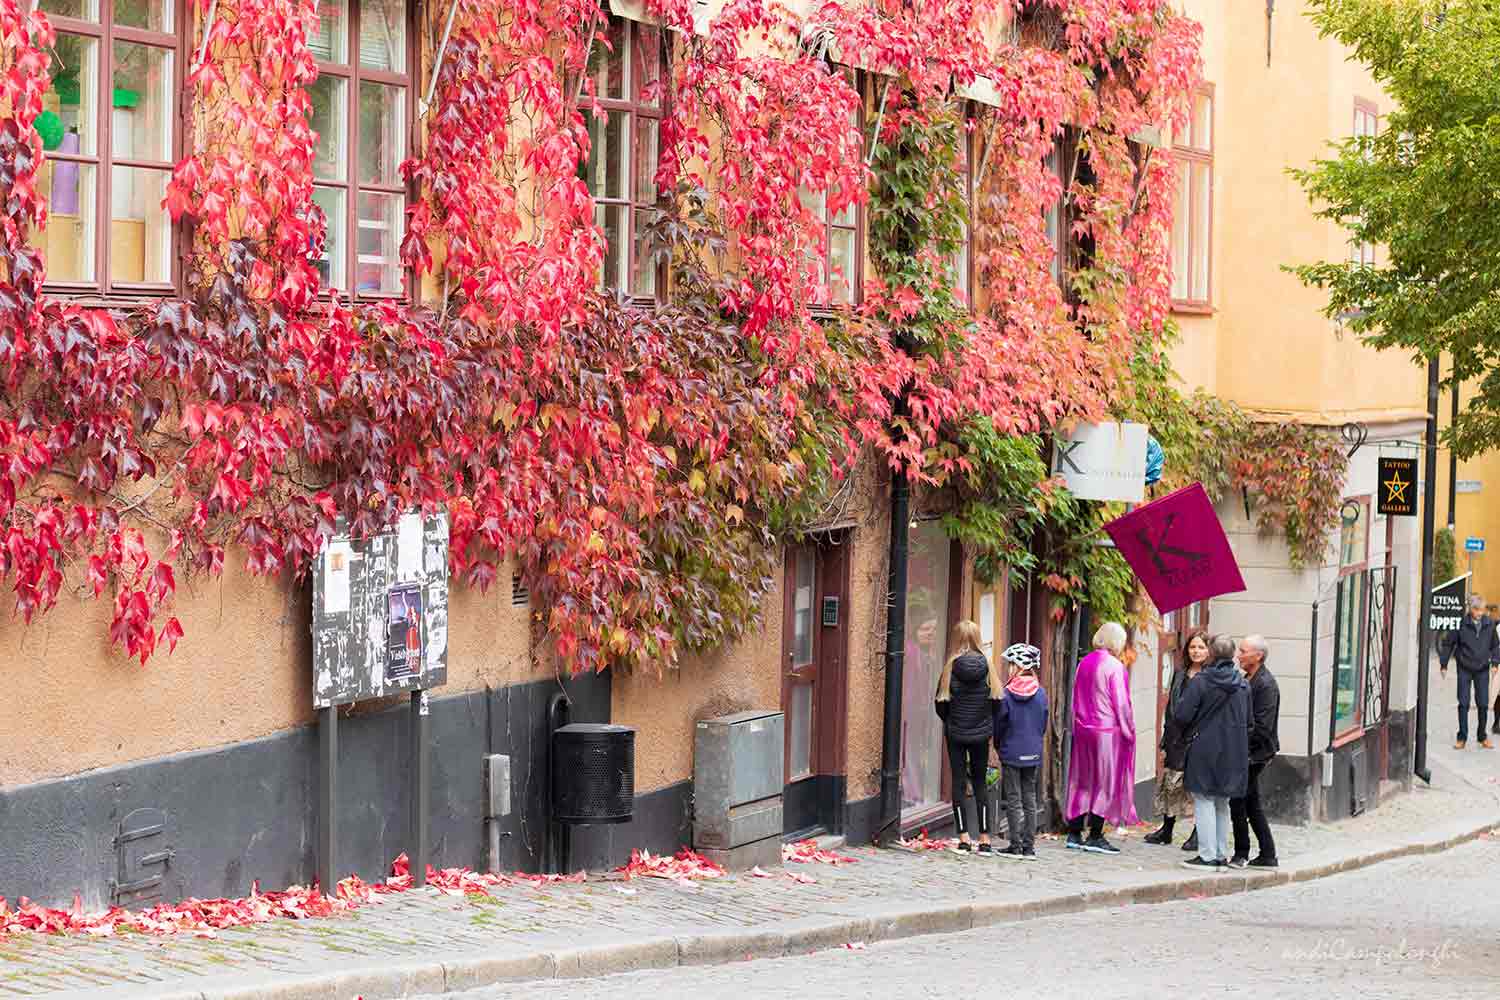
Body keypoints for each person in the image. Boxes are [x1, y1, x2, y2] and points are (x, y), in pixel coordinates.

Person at [1176, 635, 1250, 871]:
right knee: (1222, 801)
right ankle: (1220, 853)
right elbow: (1250, 721)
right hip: (1234, 749)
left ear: (1212, 653)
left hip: (1205, 747)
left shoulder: (1201, 681)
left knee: (1203, 798)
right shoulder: (1243, 684)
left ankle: (1207, 855)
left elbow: (1182, 715)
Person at [1064, 622, 1138, 854]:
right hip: (1106, 732)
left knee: (1082, 779)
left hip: (1083, 728)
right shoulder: (1115, 667)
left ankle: (1074, 832)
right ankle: (1096, 834)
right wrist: (1129, 731)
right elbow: (1122, 704)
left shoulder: (1083, 663)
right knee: (1104, 781)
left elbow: (1075, 697)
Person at [934, 620, 1004, 856]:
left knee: (958, 782)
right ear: (977, 638)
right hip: (981, 734)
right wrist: (985, 723)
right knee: (980, 782)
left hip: (955, 734)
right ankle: (984, 838)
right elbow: (997, 702)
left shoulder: (949, 668)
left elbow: (940, 703)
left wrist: (951, 721)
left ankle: (963, 837)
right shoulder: (989, 667)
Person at [1144, 629, 1210, 848]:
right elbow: (1170, 709)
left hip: (1198, 739)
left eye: (1201, 647)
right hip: (1175, 737)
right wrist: (1165, 739)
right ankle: (1167, 829)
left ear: (1209, 650)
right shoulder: (1180, 673)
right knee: (1171, 784)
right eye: (1193, 647)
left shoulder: (1209, 677)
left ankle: (1198, 833)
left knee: (1196, 789)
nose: (1196, 651)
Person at [993, 642, 1047, 861]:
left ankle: (1015, 845)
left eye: (1010, 664)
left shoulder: (1006, 694)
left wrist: (999, 745)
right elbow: (1043, 723)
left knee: (1014, 799)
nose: (1008, 669)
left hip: (1011, 751)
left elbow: (1000, 724)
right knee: (1030, 798)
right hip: (1033, 752)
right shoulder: (1041, 693)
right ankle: (1029, 847)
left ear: (1016, 666)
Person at [1229, 634, 1279, 868]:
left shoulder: (1265, 684)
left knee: (1240, 801)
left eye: (1243, 651)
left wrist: (1241, 747)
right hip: (1248, 751)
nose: (1239, 655)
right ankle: (1267, 853)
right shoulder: (1249, 678)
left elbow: (1261, 726)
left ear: (1258, 655)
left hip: (1255, 753)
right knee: (1249, 802)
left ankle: (1243, 853)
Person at [1438, 595, 1500, 748]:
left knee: (1483, 703)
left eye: (1482, 610)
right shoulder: (1461, 624)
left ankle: (1482, 736)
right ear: (1471, 609)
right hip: (1464, 668)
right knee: (1464, 703)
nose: (1479, 613)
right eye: (1477, 610)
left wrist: (1495, 663)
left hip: (1482, 670)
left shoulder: (1490, 624)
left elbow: (1496, 646)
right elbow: (1448, 644)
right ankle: (1462, 737)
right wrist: (1444, 664)